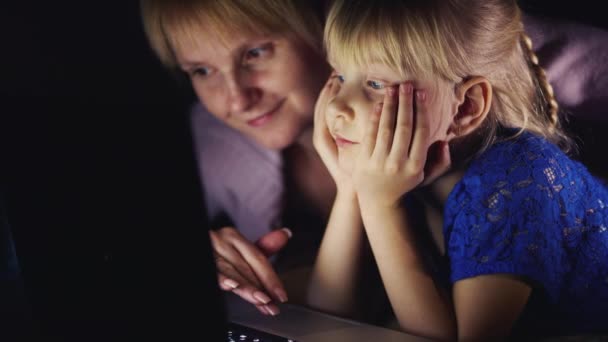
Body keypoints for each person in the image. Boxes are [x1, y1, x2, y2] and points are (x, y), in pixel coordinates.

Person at [308, 0, 608, 340]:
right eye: (340, 76)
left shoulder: (517, 181)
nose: (337, 107)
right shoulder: (403, 173)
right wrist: (351, 188)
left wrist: (380, 206)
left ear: (466, 107)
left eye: (375, 84)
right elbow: (325, 321)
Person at [139, 0, 334, 316]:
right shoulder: (211, 139)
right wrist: (190, 254)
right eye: (202, 71)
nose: (238, 100)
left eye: (255, 53)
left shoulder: (430, 120)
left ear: (326, 27)